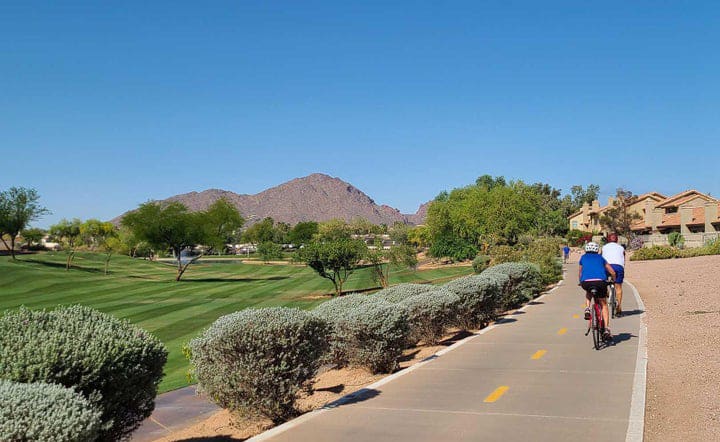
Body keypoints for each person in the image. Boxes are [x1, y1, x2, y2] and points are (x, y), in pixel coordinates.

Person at [579, 241, 616, 339]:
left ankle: (587, 308)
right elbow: (611, 271)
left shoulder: (583, 258)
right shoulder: (601, 258)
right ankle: (607, 329)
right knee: (603, 304)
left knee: (588, 292)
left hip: (586, 282)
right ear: (597, 250)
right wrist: (614, 279)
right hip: (600, 282)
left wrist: (581, 281)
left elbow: (580, 272)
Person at [601, 233, 626, 316]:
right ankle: (619, 306)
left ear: (608, 240)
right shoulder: (621, 248)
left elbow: (601, 258)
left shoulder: (604, 247)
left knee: (603, 280)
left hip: (607, 266)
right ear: (617, 240)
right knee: (618, 287)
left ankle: (606, 291)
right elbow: (623, 258)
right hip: (618, 267)